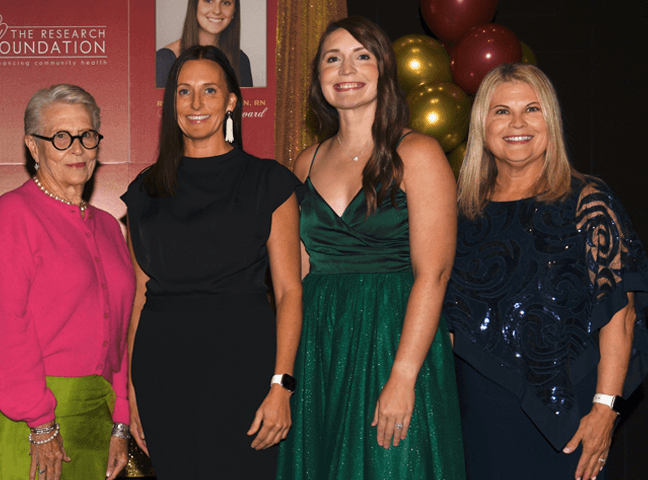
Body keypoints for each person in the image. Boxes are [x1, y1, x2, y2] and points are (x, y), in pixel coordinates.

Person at [276, 17, 464, 480]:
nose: (346, 68)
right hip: (320, 344)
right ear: (319, 76)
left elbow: (434, 274)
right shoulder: (305, 162)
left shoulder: (418, 153)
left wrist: (402, 375)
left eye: (362, 56)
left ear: (384, 71)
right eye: (332, 58)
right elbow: (294, 279)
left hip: (392, 336)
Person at [444, 63, 648, 480]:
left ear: (550, 121)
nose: (517, 123)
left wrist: (605, 409)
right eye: (501, 111)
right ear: (482, 125)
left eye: (531, 109)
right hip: (478, 414)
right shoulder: (459, 213)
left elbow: (620, 313)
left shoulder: (587, 201)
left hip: (571, 416)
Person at [123, 45, 301, 477]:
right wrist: (131, 390)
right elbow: (140, 299)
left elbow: (289, 291)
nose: (196, 104)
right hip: (163, 368)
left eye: (209, 91)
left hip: (245, 363)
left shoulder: (268, 180)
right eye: (184, 92)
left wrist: (282, 386)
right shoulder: (145, 190)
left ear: (231, 102)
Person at [0, 84, 132, 480]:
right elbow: (7, 325)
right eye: (61, 137)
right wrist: (41, 423)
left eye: (87, 136)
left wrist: (120, 419)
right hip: (26, 416)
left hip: (95, 416)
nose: (77, 149)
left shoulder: (110, 227)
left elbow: (120, 331)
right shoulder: (14, 213)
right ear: (33, 145)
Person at [156, 0, 253, 88]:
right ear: (195, 5)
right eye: (208, 1)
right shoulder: (164, 61)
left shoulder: (241, 60)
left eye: (225, 2)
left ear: (234, 10)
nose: (217, 11)